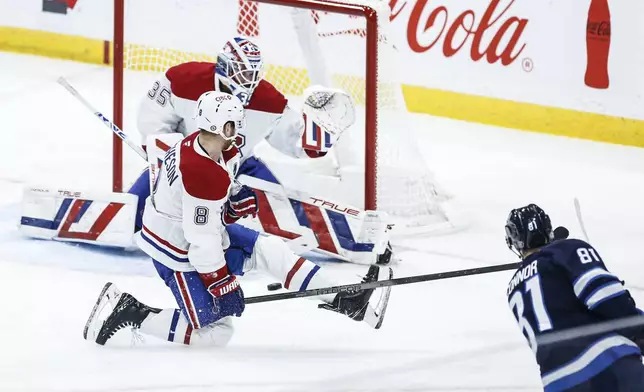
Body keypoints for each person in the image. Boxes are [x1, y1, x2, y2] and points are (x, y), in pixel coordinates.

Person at [83, 91, 392, 347]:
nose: (239, 130)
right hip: (176, 255)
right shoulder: (202, 172)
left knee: (271, 251)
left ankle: (349, 303)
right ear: (222, 128)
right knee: (216, 334)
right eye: (234, 125)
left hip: (193, 236)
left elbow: (198, 214)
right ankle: (132, 312)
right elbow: (200, 245)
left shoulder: (206, 148)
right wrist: (222, 284)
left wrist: (229, 208)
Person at [125, 36, 391, 265]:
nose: (249, 80)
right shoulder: (185, 80)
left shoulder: (267, 99)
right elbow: (154, 122)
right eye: (243, 72)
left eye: (253, 73)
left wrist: (319, 136)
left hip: (240, 167)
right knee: (132, 212)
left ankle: (358, 240)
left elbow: (295, 143)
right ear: (225, 68)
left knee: (285, 212)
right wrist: (166, 153)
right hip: (182, 166)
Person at [505, 204, 644, 391]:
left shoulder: (514, 288)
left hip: (558, 383)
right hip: (609, 364)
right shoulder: (568, 250)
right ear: (548, 229)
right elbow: (606, 296)